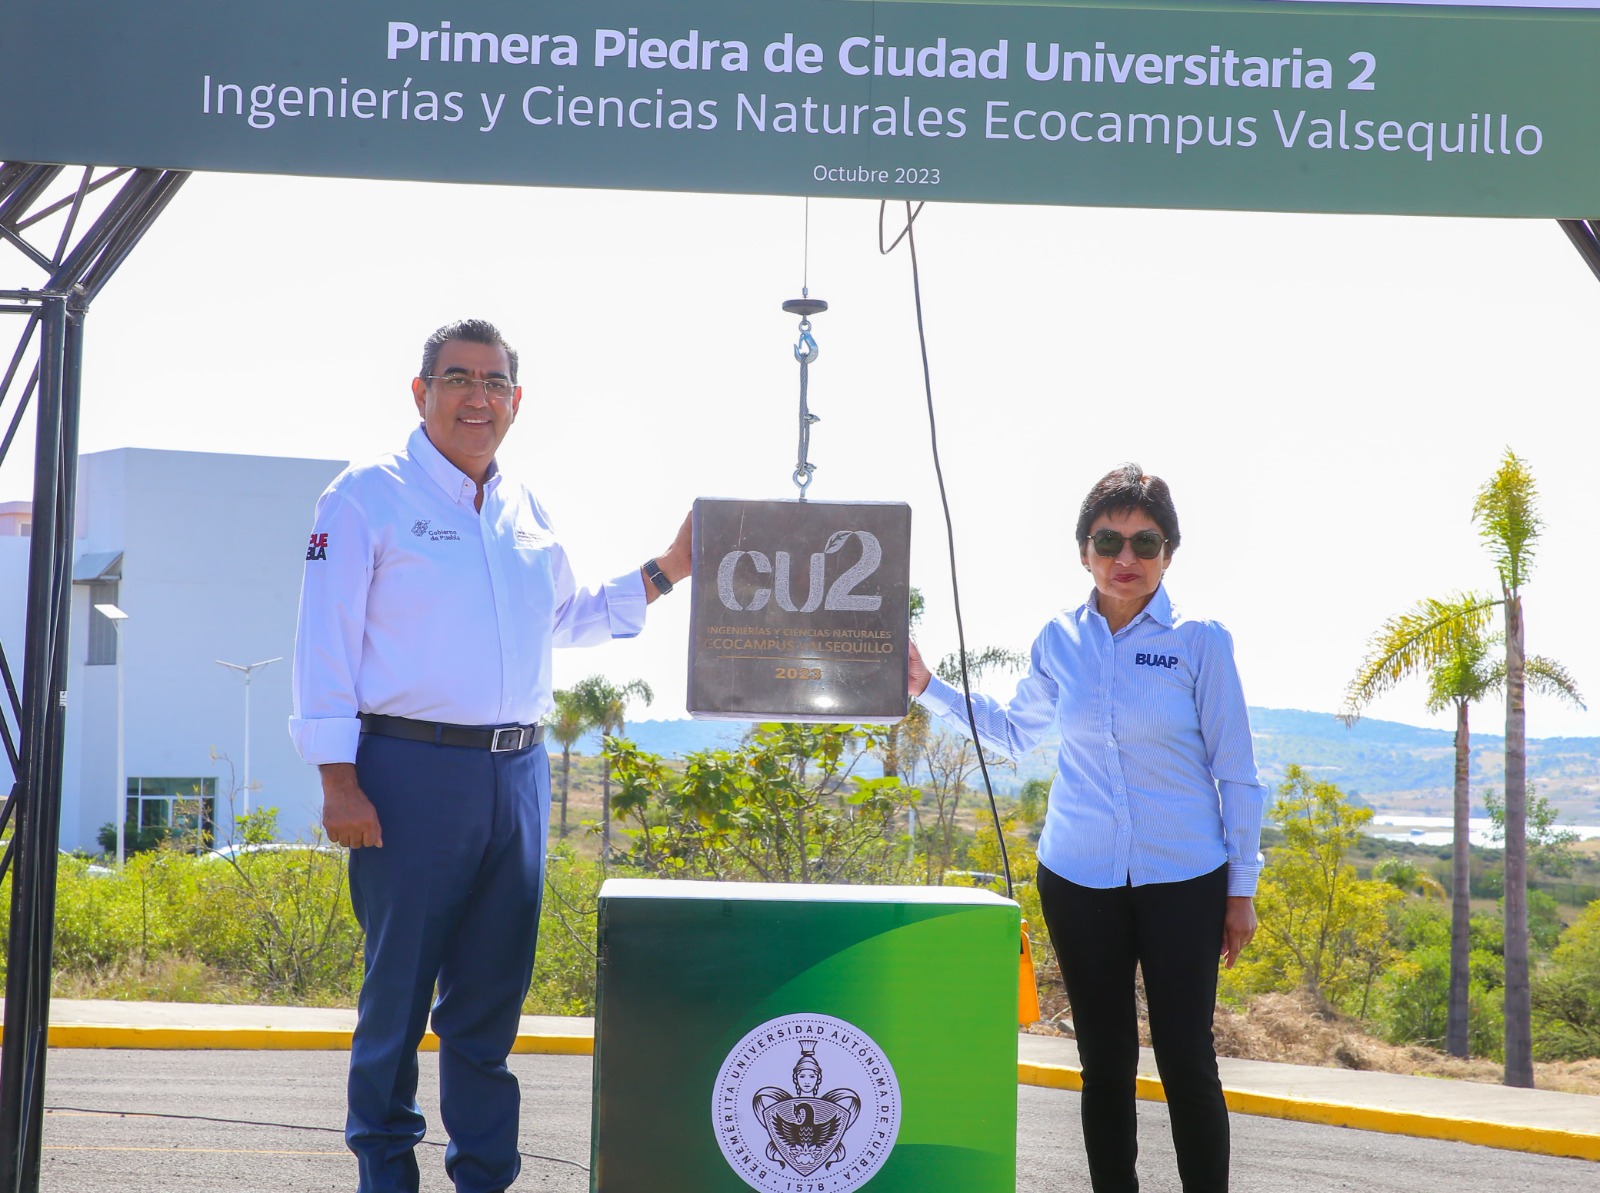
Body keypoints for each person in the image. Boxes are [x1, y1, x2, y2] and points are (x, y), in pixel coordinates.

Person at [289, 318, 690, 1193]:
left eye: (495, 382)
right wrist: (336, 775)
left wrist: (666, 569)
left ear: (516, 400)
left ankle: (485, 1178)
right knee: (395, 997)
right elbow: (324, 641)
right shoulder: (364, 497)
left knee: (488, 1005)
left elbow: (568, 617)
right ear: (420, 391)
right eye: (459, 378)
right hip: (405, 774)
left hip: (516, 777)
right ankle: (385, 1173)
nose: (479, 397)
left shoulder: (525, 509)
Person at [908, 463, 1265, 1193]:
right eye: (1108, 540)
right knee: (1103, 1065)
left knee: (1187, 1060)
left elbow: (1238, 776)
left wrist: (1240, 889)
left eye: (1145, 542)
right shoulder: (1058, 641)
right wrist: (928, 687)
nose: (1125, 559)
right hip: (1078, 879)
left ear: (1170, 553)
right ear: (1084, 550)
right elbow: (1011, 732)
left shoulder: (1201, 642)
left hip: (1183, 879)